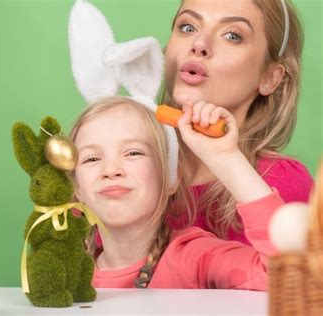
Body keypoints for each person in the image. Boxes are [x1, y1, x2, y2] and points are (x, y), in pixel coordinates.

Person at [69, 96, 283, 289]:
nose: (111, 170)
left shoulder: (193, 257)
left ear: (171, 177)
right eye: (92, 159)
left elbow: (292, 274)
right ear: (77, 188)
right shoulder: (68, 273)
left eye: (133, 153)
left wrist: (226, 157)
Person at [161, 0, 313, 243]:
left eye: (232, 35)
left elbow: (293, 274)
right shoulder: (118, 167)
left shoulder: (283, 184)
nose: (199, 44)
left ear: (269, 78)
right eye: (188, 27)